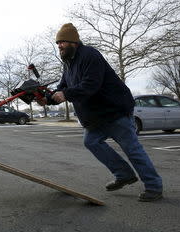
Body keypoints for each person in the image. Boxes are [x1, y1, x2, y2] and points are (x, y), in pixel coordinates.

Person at [39, 23, 163, 202]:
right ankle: (124, 174)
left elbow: (91, 85)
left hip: (115, 112)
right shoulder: (68, 64)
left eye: (62, 42)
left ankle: (154, 187)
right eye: (58, 43)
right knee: (91, 142)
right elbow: (62, 87)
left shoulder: (90, 55)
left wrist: (65, 94)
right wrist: (48, 99)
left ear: (73, 42)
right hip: (97, 118)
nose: (59, 46)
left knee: (132, 149)